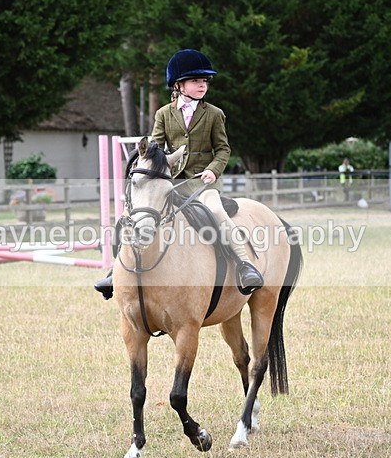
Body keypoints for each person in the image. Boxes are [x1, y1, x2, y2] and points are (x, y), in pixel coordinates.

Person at [94, 49, 264, 299]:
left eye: (205, 81)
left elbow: (223, 149)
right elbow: (156, 147)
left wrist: (212, 171)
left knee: (217, 212)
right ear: (178, 85)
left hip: (202, 185)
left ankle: (244, 266)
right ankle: (115, 271)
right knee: (130, 215)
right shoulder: (163, 114)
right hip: (170, 184)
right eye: (196, 80)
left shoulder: (214, 114)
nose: (202, 85)